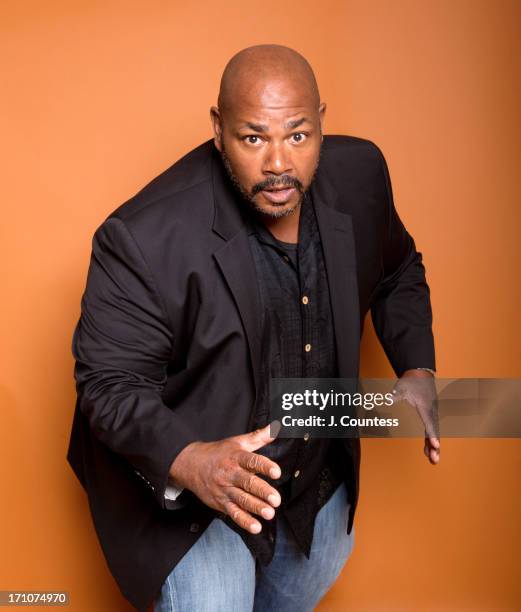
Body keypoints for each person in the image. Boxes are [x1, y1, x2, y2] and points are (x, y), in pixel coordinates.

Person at [67, 44, 440, 612]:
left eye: (297, 135)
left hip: (312, 464)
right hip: (193, 483)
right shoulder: (144, 237)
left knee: (316, 567)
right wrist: (192, 461)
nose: (279, 165)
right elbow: (108, 384)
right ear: (218, 131)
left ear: (321, 120)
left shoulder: (361, 176)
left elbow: (397, 268)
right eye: (253, 138)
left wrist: (415, 364)